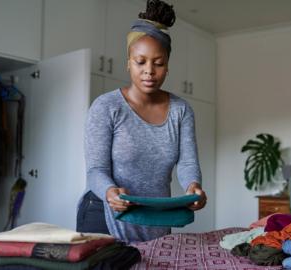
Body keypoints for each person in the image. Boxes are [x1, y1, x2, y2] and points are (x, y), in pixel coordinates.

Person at [76, 0, 207, 243]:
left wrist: (193, 186)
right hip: (105, 211)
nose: (149, 70)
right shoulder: (107, 107)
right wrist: (109, 192)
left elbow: (187, 162)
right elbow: (96, 170)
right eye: (140, 62)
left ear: (167, 67)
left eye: (158, 63)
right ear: (128, 63)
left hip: (156, 215)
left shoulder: (181, 110)